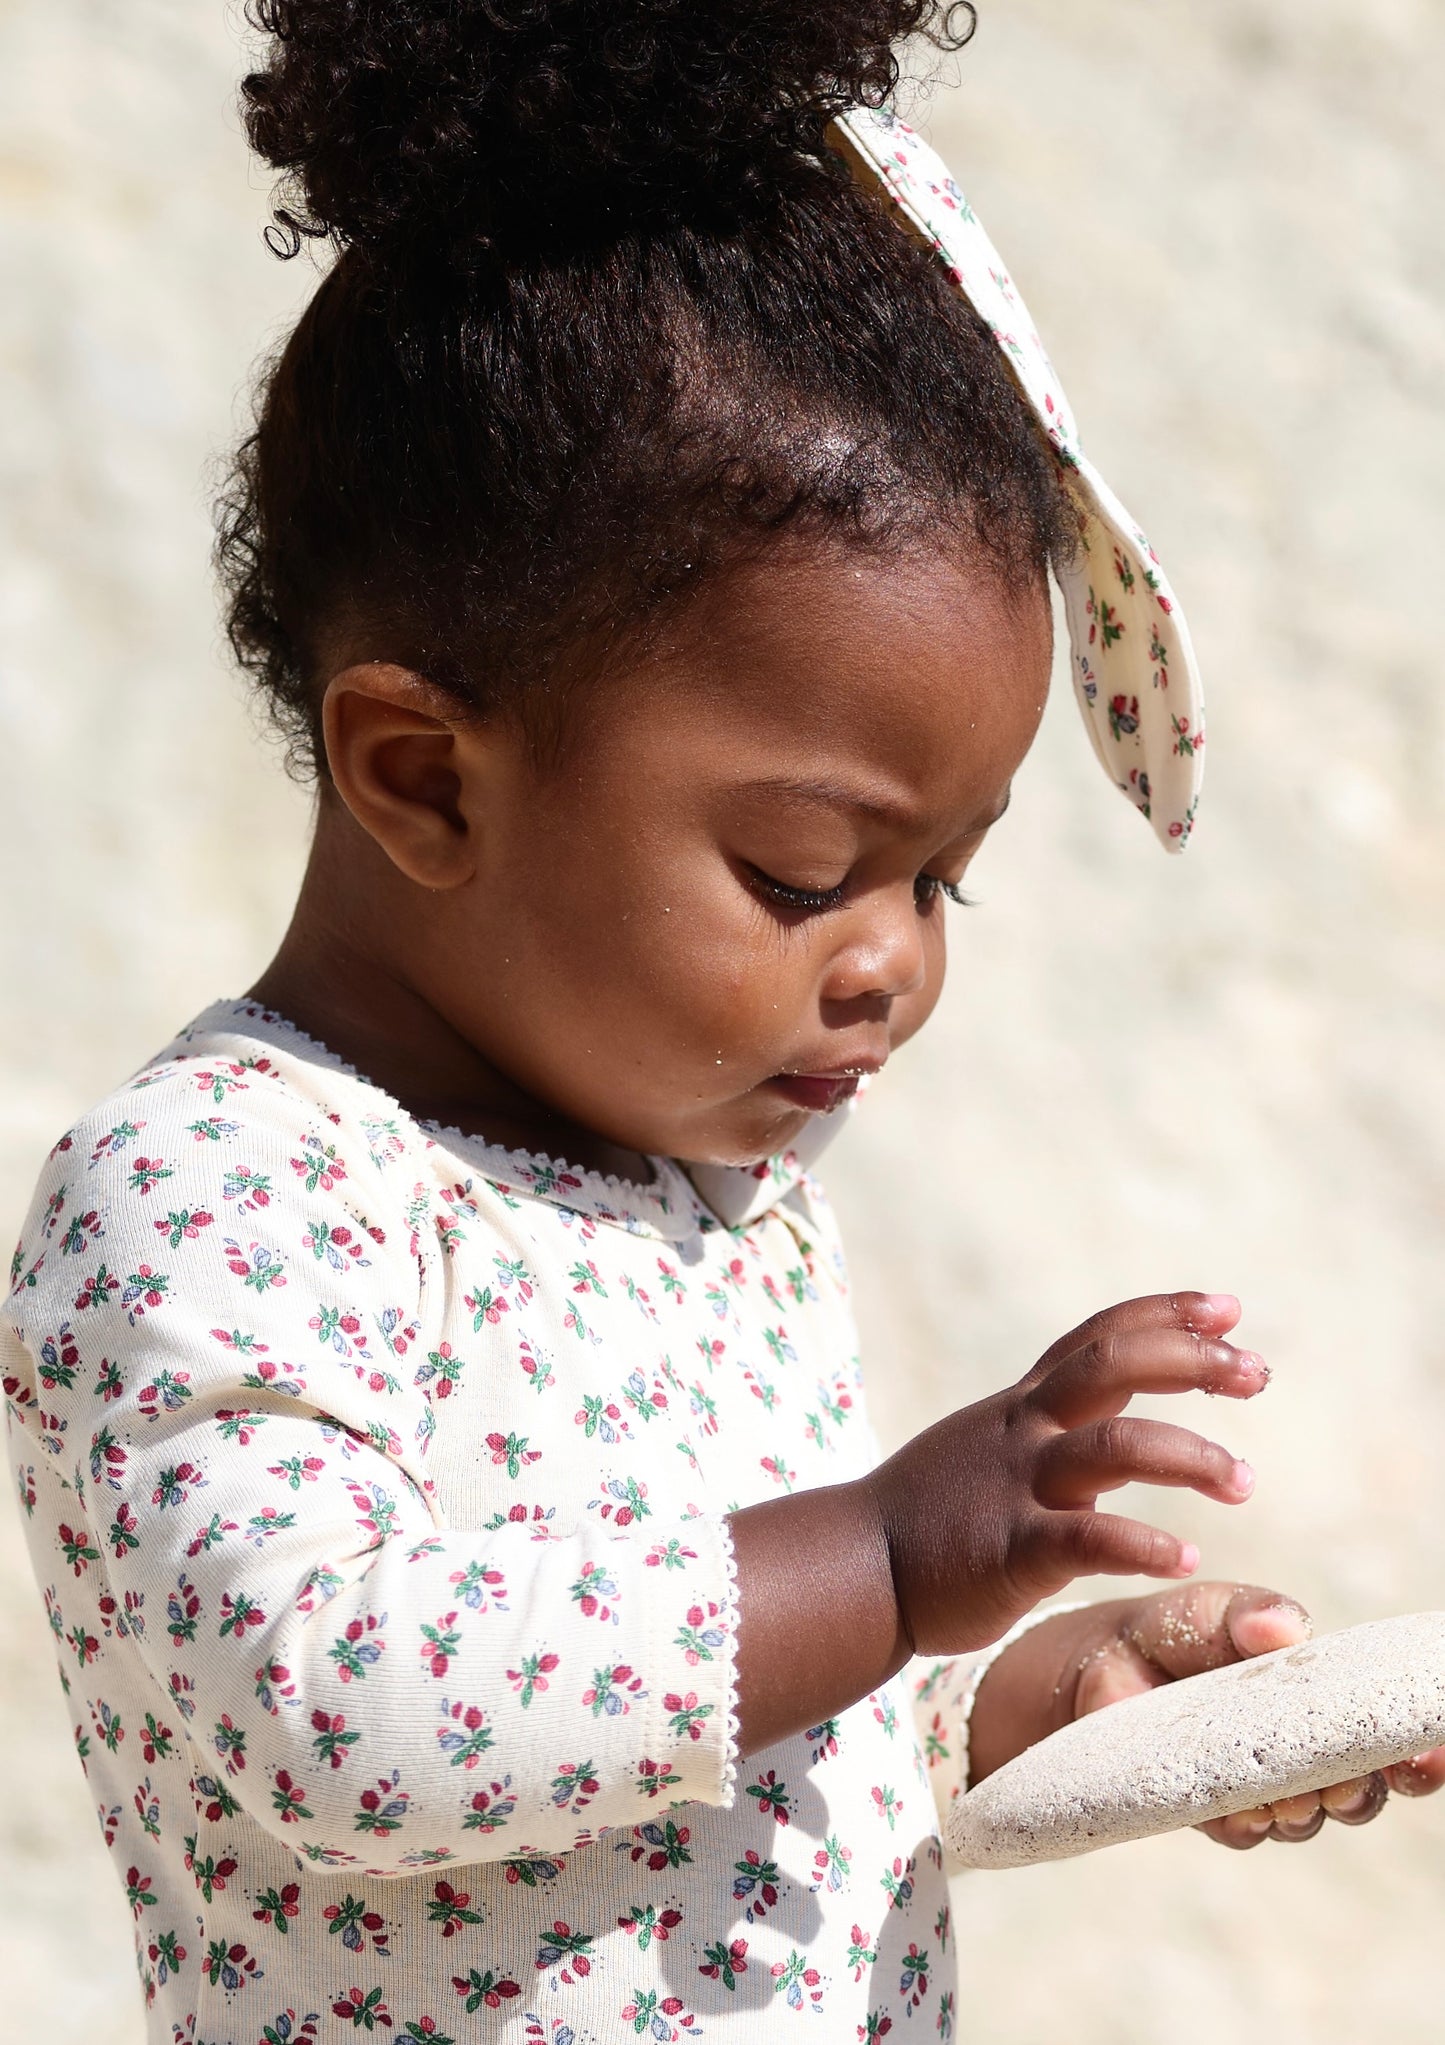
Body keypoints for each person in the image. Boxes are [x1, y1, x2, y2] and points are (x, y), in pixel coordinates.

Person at [5, 4, 1441, 2040]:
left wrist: (1020, 1713)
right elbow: (344, 1717)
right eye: (800, 870)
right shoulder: (214, 1190)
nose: (894, 965)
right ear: (423, 778)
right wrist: (877, 1554)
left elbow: (668, 1784)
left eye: (943, 878)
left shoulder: (711, 1206)